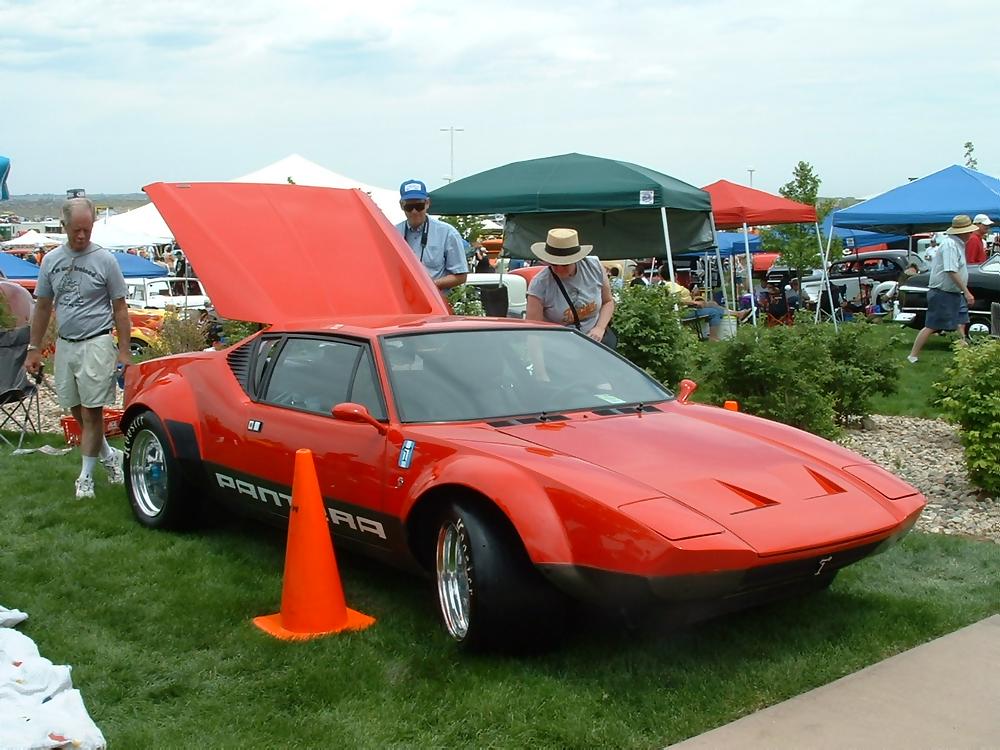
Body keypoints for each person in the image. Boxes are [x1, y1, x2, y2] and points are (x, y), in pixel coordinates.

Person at [25, 198, 131, 499]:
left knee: (92, 411)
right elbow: (43, 306)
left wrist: (124, 350)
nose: (82, 236)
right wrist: (34, 347)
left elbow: (120, 308)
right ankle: (109, 456)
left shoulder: (105, 260)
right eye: (76, 230)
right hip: (66, 344)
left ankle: (85, 478)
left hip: (97, 341)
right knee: (75, 407)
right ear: (64, 227)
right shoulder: (51, 261)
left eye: (87, 229)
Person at [525, 228, 615, 345]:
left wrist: (600, 328)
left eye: (565, 264)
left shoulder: (594, 267)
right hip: (559, 344)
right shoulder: (539, 284)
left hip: (595, 341)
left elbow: (608, 302)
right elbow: (533, 332)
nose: (559, 269)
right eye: (554, 264)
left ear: (576, 259)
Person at [907, 215, 977, 364]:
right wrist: (966, 291)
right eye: (969, 231)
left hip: (953, 292)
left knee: (960, 322)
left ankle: (964, 354)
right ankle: (913, 355)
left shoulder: (957, 244)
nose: (971, 234)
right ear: (963, 232)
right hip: (943, 292)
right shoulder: (950, 245)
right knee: (932, 325)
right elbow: (950, 270)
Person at [394, 179, 468, 291]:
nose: (414, 211)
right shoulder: (393, 232)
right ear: (401, 205)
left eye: (419, 206)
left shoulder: (447, 233)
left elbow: (461, 276)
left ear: (427, 203)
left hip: (434, 299)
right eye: (409, 207)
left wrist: (430, 286)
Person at [662, 267, 749, 340]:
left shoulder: (669, 285)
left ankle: (737, 314)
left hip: (688, 308)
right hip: (684, 311)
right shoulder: (671, 285)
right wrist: (693, 302)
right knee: (714, 312)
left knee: (713, 304)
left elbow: (680, 298)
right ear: (675, 274)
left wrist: (692, 296)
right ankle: (713, 337)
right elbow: (675, 300)